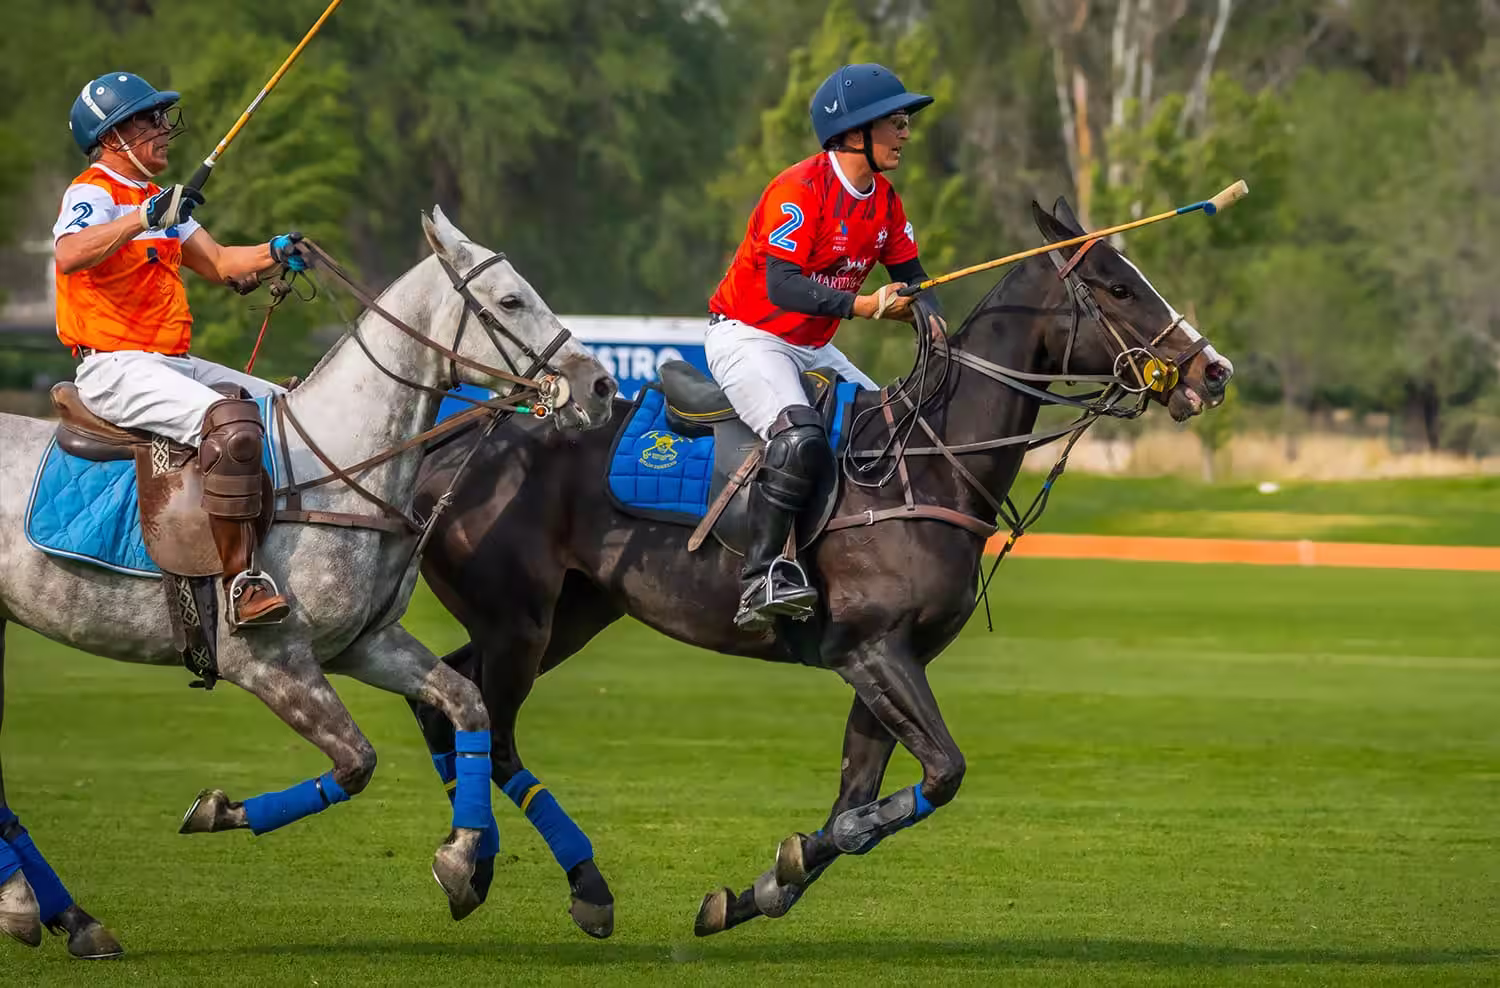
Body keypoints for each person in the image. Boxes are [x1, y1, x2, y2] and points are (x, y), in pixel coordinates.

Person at [54, 71, 309, 627]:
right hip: (113, 365)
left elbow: (221, 263)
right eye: (151, 120)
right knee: (229, 423)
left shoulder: (158, 203)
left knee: (290, 413)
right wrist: (144, 218)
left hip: (169, 360)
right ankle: (242, 582)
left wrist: (275, 248)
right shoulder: (93, 192)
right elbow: (71, 254)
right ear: (114, 135)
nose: (164, 130)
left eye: (163, 118)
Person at [706, 63, 944, 631]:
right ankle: (760, 576)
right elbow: (782, 285)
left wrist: (936, 332)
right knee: (799, 438)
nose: (906, 132)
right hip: (750, 335)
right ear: (856, 130)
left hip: (812, 345)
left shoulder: (884, 201)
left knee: (889, 432)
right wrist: (864, 307)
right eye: (897, 121)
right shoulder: (800, 189)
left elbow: (914, 280)